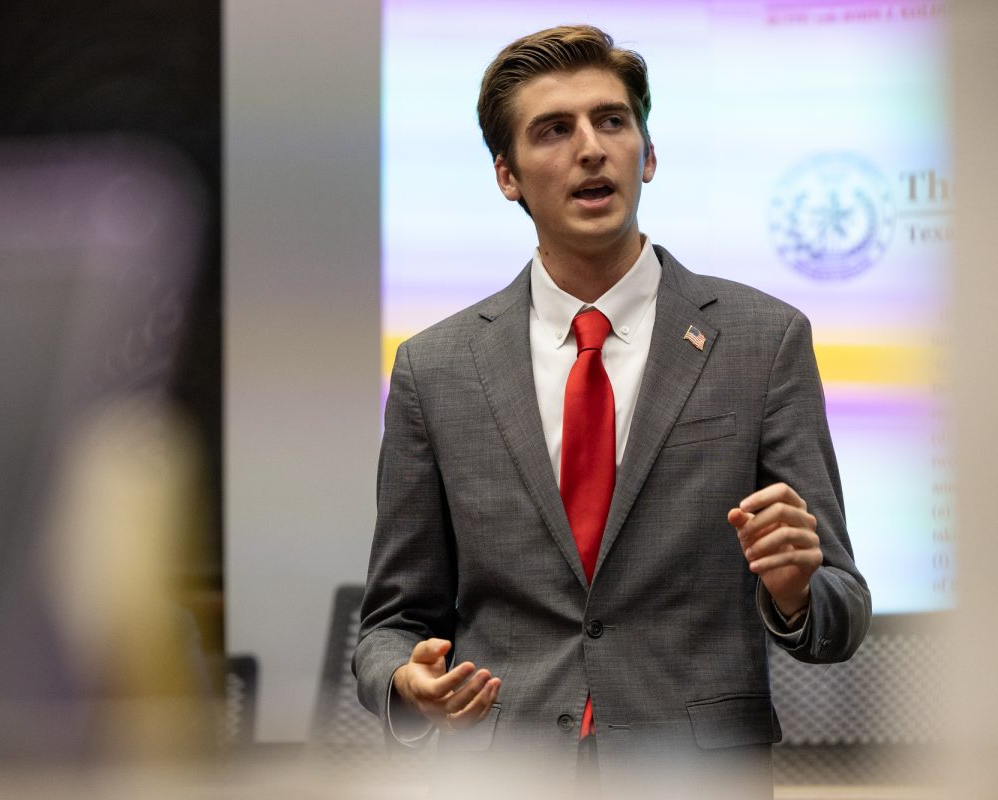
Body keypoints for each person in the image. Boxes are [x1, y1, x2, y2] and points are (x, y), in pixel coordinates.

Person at [353, 23, 870, 794]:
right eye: (553, 130)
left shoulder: (764, 341)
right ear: (507, 175)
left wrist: (795, 590)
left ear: (649, 155)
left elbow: (841, 611)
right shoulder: (436, 368)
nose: (590, 148)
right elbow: (391, 624)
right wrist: (407, 682)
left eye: (612, 121)